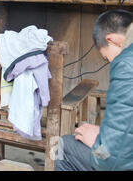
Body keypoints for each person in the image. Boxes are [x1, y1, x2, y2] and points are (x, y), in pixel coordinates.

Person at [54, 9, 133, 171]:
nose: (111, 63)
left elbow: (111, 160)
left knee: (62, 146)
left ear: (111, 40)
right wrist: (105, 134)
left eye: (106, 58)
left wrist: (97, 143)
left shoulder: (127, 63)